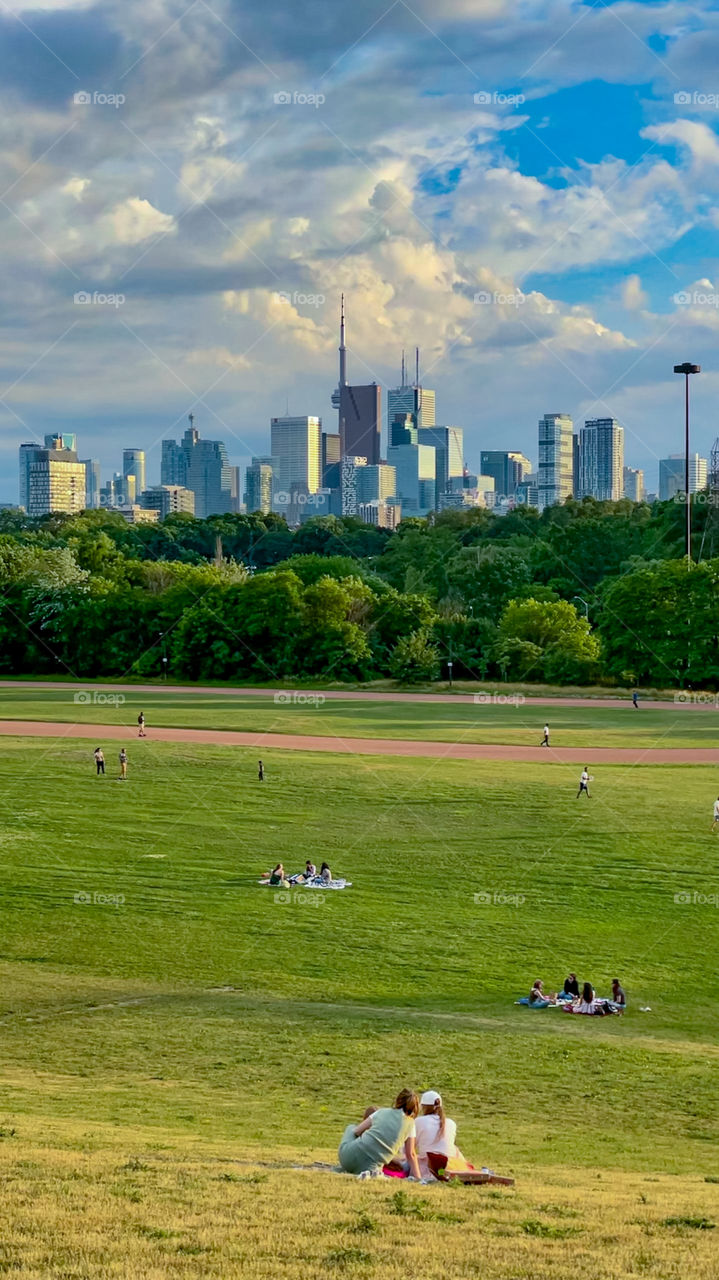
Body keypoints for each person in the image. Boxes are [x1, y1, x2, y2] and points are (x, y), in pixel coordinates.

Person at [338, 1088, 422, 1179]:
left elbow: (357, 1131)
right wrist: (418, 1178)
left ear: (398, 1100)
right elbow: (411, 1154)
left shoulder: (381, 1112)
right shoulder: (410, 1124)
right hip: (370, 1167)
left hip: (347, 1159)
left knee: (351, 1127)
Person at [414, 1091, 461, 1180]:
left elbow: (408, 1150)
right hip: (449, 1167)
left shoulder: (419, 1122)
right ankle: (441, 1173)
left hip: (427, 1168)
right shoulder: (451, 1123)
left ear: (423, 1107)